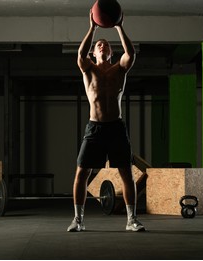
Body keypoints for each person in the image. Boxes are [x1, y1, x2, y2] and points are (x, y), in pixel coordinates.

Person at [67, 10, 145, 232]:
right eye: (99, 44)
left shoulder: (119, 69)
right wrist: (92, 28)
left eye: (106, 45)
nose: (103, 45)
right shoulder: (88, 68)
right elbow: (81, 54)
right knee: (82, 172)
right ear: (95, 51)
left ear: (111, 52)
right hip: (95, 128)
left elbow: (131, 53)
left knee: (126, 173)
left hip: (116, 128)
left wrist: (119, 26)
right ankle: (78, 220)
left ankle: (131, 220)